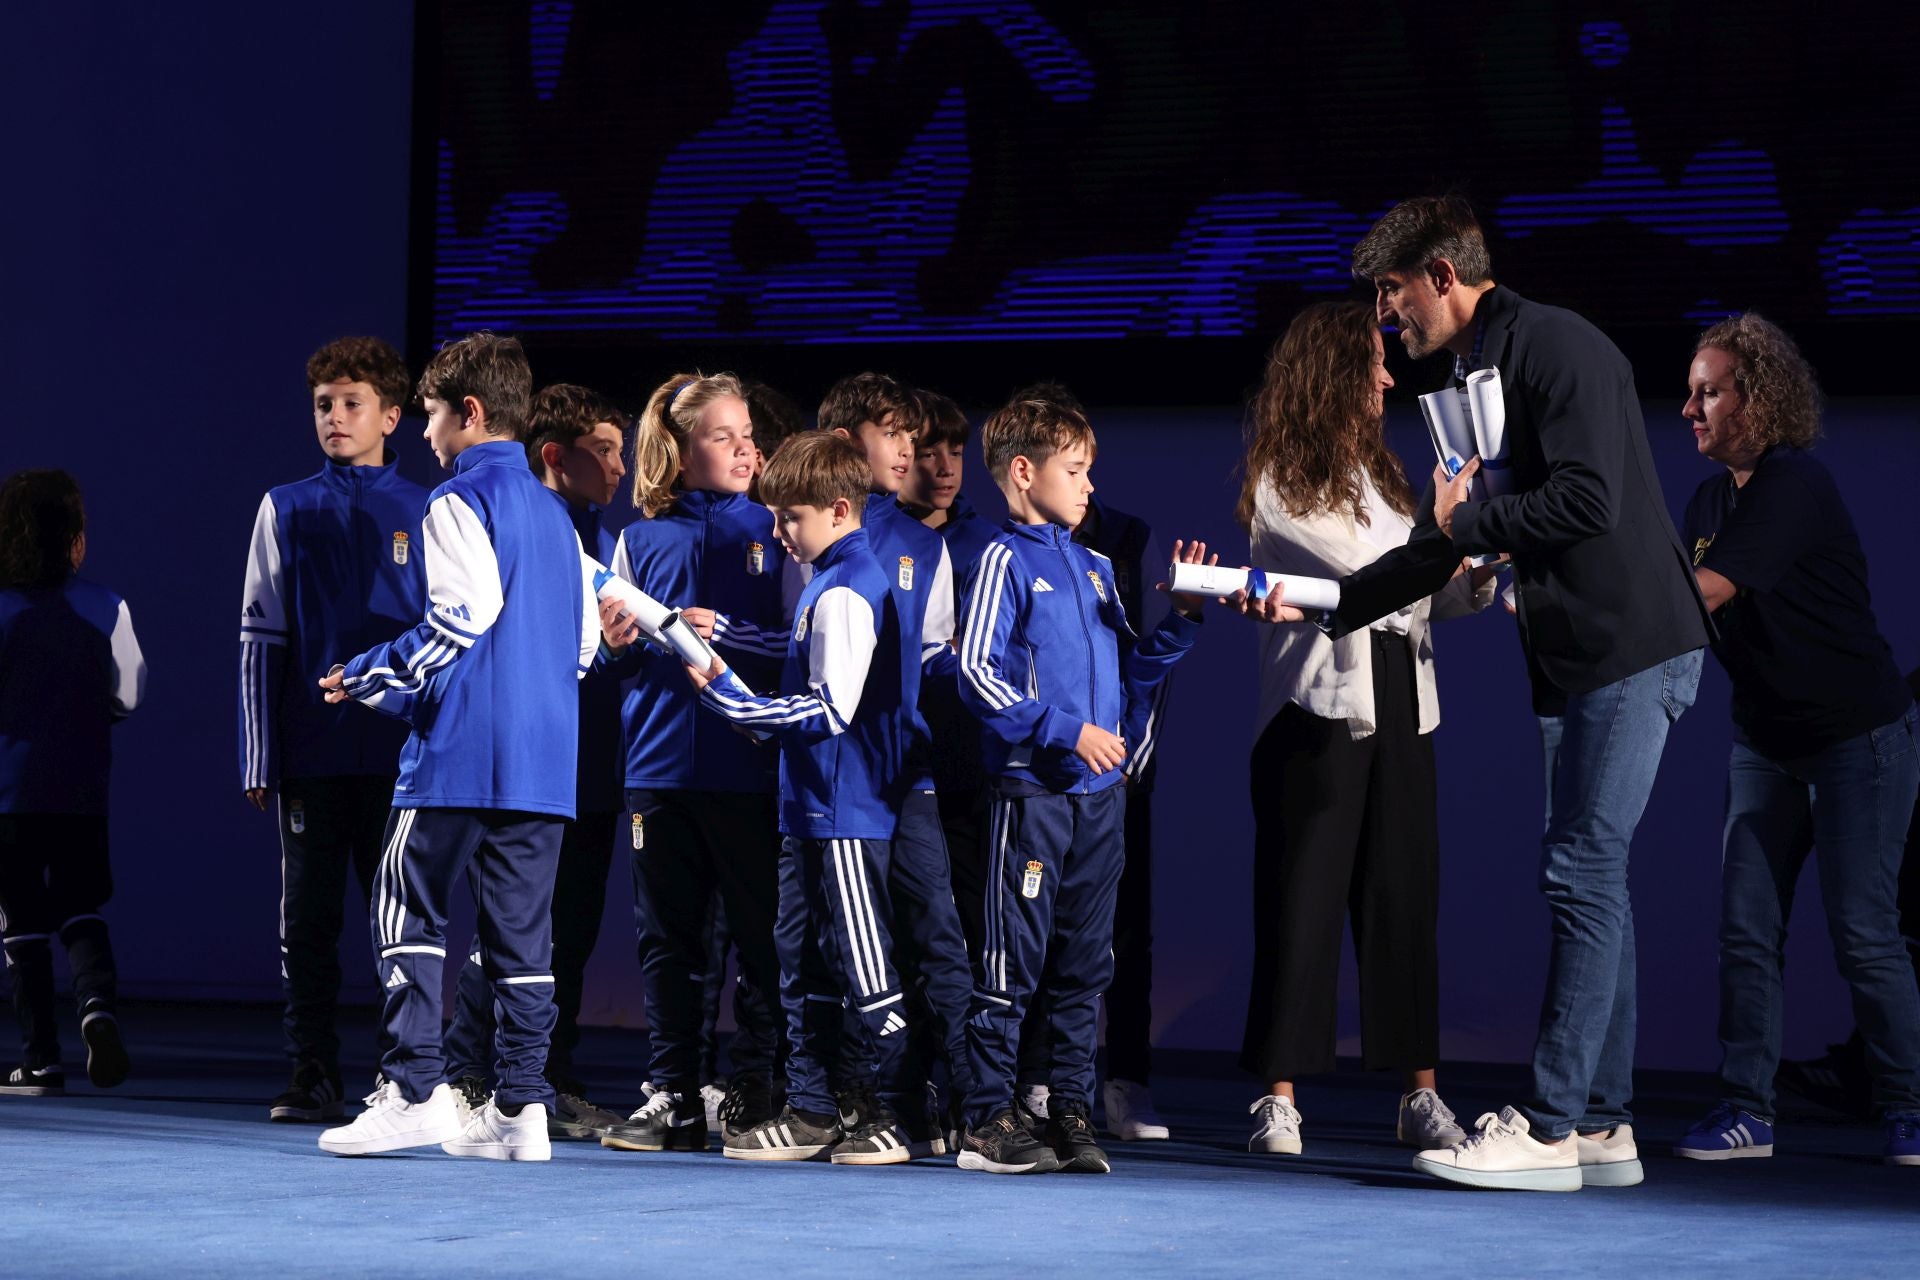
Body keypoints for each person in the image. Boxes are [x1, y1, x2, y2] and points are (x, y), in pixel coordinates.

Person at [1249, 197, 1713, 1191]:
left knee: (1582, 871)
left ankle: (1549, 1126)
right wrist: (1338, 606)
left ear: (1444, 278)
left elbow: (1587, 498)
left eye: (1393, 294)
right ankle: (1601, 1121)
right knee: (1597, 877)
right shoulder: (1476, 366)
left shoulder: (1556, 345)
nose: (1387, 319)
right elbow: (1441, 548)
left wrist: (1469, 524)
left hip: (1631, 644)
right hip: (1581, 655)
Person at [315, 332, 599, 1161]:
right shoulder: (558, 514)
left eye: (434, 418)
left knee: (405, 903)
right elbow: (581, 647)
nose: (428, 437)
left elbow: (461, 618)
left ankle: (413, 1091)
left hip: (460, 755)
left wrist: (368, 671)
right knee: (523, 939)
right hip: (547, 761)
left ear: (469, 414)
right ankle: (519, 1112)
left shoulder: (455, 501)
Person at [1234, 301, 1495, 1157]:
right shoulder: (1281, 477)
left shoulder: (1387, 475)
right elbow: (1365, 583)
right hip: (1318, 710)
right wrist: (1443, 533)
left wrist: (1476, 570)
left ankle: (1419, 1093)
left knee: (1403, 900)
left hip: (1406, 702)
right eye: (1374, 363)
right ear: (1334, 374)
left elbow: (1425, 594)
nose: (1389, 376)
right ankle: (1278, 1096)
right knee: (1301, 902)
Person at [1672, 312, 1920, 1168]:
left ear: (1759, 399)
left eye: (1709, 391)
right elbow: (1660, 600)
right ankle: (1747, 1110)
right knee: (1747, 928)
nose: (1689, 408)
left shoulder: (1793, 486)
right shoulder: (1708, 502)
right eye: (1691, 391)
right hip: (1766, 741)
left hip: (1859, 739)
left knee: (1863, 932)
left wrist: (1584, 607)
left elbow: (1697, 594)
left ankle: (1912, 1108)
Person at [954, 393, 1210, 1174]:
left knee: (1086, 963)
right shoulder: (1001, 559)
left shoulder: (1098, 566)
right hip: (1033, 797)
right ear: (1024, 474)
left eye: (1090, 471)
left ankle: (1067, 1109)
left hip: (1100, 804)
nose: (1090, 486)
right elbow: (975, 672)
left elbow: (1132, 676)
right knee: (1011, 963)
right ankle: (987, 1119)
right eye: (1076, 471)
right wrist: (1065, 730)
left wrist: (1185, 618)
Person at [650, 430, 916, 1165]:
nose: (776, 532)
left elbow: (828, 710)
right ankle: (813, 1112)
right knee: (803, 963)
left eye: (789, 517)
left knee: (866, 971)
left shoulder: (848, 590)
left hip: (846, 817)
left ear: (838, 509)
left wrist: (735, 703)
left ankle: (883, 1113)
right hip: (808, 810)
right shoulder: (825, 583)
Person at [593, 372, 788, 1153]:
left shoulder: (776, 528)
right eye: (723, 437)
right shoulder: (639, 538)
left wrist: (725, 634)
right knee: (668, 939)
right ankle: (674, 1093)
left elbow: (801, 649)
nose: (744, 450)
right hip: (660, 771)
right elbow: (609, 662)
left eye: (747, 436)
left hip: (749, 770)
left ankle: (753, 1089)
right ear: (679, 449)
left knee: (762, 938)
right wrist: (615, 650)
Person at [237, 336, 427, 1122]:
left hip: (399, 753)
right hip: (312, 755)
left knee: (402, 917)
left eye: (352, 404)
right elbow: (260, 636)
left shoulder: (427, 508)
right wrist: (258, 753)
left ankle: (406, 1076)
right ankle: (311, 1069)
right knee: (308, 919)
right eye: (323, 405)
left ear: (392, 414)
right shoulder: (284, 506)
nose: (336, 418)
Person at [441, 383, 632, 1140]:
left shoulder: (598, 537)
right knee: (508, 928)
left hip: (586, 769)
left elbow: (592, 653)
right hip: (517, 762)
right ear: (556, 456)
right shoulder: (511, 520)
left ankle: (545, 1077)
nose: (619, 465)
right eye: (605, 450)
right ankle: (463, 1073)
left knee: (569, 934)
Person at [817, 373, 975, 1152]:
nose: (910, 450)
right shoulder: (813, 530)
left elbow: (941, 656)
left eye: (914, 437)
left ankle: (965, 1105)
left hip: (907, 777)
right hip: (834, 783)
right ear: (851, 441)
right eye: (894, 434)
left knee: (935, 936)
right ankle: (864, 1104)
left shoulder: (927, 544)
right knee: (845, 947)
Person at [0, 470, 145, 1096]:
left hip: (8, 793)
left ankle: (40, 1060)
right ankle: (97, 1011)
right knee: (82, 908)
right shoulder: (107, 606)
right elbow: (130, 694)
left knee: (22, 924)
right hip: (83, 787)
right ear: (77, 541)